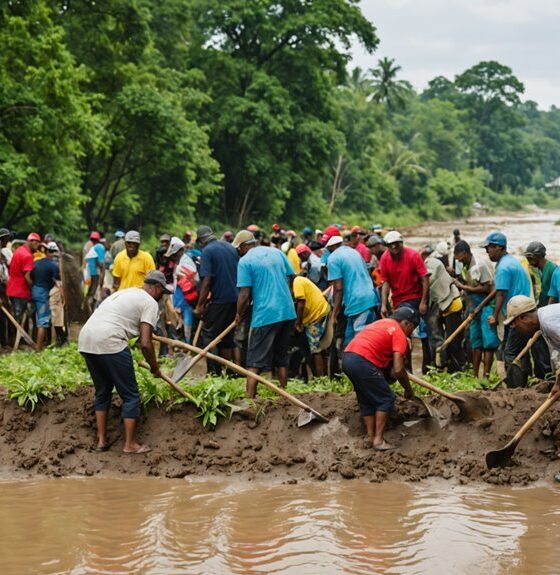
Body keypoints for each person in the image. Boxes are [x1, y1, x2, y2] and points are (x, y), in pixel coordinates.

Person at [78, 270, 170, 454]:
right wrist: (155, 368)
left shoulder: (126, 292)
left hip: (86, 339)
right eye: (162, 293)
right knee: (131, 395)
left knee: (103, 391)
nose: (162, 297)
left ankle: (102, 440)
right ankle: (130, 445)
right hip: (110, 340)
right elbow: (145, 343)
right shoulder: (150, 302)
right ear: (156, 288)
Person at [343, 307, 417, 451]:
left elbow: (389, 365)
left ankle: (370, 437)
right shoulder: (399, 333)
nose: (411, 333)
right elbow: (398, 369)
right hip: (363, 360)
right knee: (386, 398)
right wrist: (408, 389)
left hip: (348, 358)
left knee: (366, 399)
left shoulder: (381, 323)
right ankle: (379, 440)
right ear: (406, 323)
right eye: (412, 329)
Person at [234, 230, 296, 397]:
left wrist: (239, 314)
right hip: (287, 311)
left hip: (266, 314)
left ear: (244, 246)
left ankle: (249, 400)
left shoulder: (245, 261)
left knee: (254, 361)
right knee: (281, 357)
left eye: (238, 249)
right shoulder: (277, 252)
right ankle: (284, 394)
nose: (238, 252)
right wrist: (287, 295)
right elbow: (292, 276)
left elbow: (244, 294)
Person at [193, 226, 239, 373]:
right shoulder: (230, 248)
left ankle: (214, 372)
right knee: (226, 337)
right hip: (235, 299)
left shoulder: (207, 251)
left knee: (208, 334)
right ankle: (227, 372)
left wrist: (199, 306)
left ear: (201, 241)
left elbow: (207, 280)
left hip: (221, 300)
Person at [453, 240, 499, 378]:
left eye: (459, 257)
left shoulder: (480, 264)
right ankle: (474, 375)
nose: (458, 261)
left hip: (486, 306)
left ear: (464, 253)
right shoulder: (464, 266)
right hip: (474, 308)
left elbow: (487, 288)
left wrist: (463, 287)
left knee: (488, 342)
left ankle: (486, 376)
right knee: (476, 341)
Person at [326, 235, 379, 344]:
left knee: (360, 343)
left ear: (331, 247)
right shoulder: (354, 252)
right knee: (352, 340)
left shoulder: (333, 258)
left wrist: (335, 313)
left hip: (358, 302)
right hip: (369, 297)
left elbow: (338, 288)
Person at [421, 246, 465, 372]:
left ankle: (457, 369)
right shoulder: (431, 264)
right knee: (443, 339)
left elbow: (429, 280)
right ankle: (445, 366)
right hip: (444, 305)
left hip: (452, 305)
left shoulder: (431, 264)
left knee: (454, 340)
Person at [504, 295, 560, 395]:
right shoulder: (544, 323)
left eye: (514, 323)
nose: (515, 328)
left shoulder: (548, 322)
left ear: (523, 318)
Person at [379, 231, 429, 318]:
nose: (394, 246)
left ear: (401, 243)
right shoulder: (384, 259)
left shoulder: (413, 255)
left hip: (415, 297)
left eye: (396, 244)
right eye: (391, 244)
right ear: (387, 246)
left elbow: (425, 278)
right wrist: (383, 305)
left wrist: (423, 302)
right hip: (397, 300)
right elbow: (385, 282)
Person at [293, 275, 331, 376]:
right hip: (321, 311)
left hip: (315, 316)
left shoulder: (296, 282)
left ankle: (320, 379)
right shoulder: (301, 279)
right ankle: (324, 377)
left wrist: (298, 322)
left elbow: (301, 303)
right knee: (320, 348)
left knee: (315, 350)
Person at [165, 237, 199, 343]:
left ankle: (187, 349)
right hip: (179, 300)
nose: (174, 257)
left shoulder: (186, 262)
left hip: (186, 301)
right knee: (179, 326)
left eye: (175, 255)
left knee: (187, 327)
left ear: (180, 251)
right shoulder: (179, 262)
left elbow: (192, 282)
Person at [30, 242, 61, 351]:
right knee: (43, 321)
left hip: (34, 291)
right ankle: (38, 348)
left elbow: (31, 276)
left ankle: (39, 341)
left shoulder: (37, 263)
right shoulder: (53, 266)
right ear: (50, 253)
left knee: (36, 318)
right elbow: (58, 283)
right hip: (42, 293)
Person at [6, 232, 40, 323]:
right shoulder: (27, 256)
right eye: (35, 242)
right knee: (19, 319)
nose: (37, 244)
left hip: (11, 288)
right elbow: (27, 276)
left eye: (38, 242)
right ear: (29, 242)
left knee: (15, 317)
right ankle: (19, 337)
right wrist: (33, 287)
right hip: (20, 291)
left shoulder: (19, 250)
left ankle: (14, 337)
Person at [524, 242, 556, 308]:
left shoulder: (552, 270)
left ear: (538, 256)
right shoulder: (539, 269)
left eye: (530, 258)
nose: (528, 261)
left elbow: (553, 295)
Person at [84, 231, 106, 316]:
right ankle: (92, 314)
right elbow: (101, 264)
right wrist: (102, 277)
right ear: (99, 239)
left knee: (89, 293)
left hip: (88, 273)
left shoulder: (89, 247)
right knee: (95, 294)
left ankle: (88, 313)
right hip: (95, 274)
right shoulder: (100, 247)